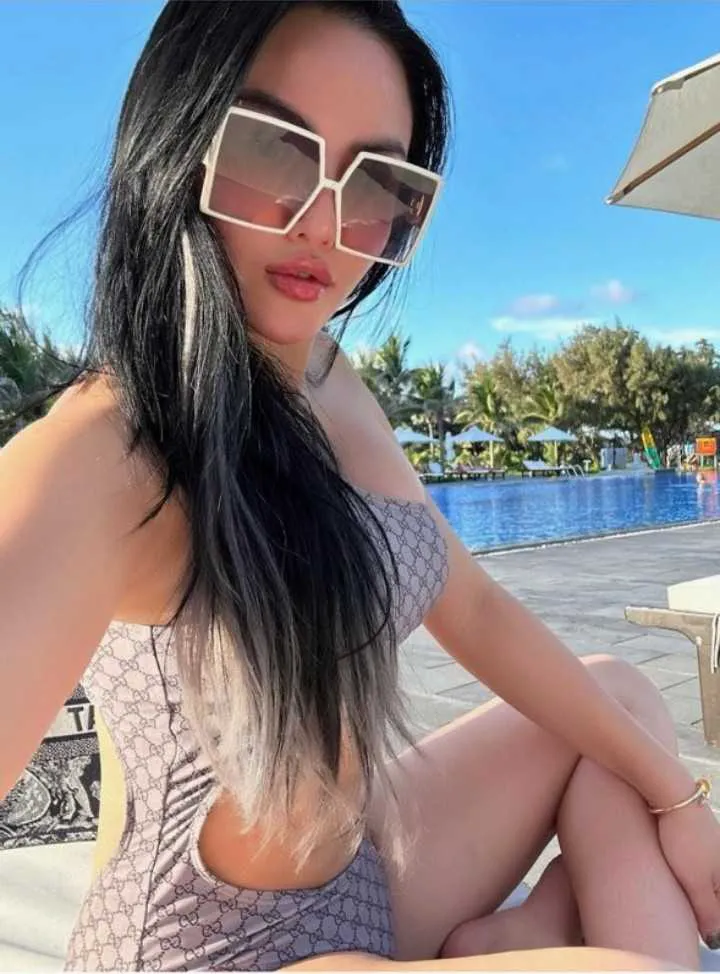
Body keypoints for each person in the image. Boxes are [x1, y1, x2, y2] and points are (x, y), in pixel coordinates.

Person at [1, 2, 719, 970]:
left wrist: (682, 799)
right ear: (177, 141)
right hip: (211, 949)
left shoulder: (328, 376)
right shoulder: (111, 449)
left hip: (363, 881)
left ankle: (520, 937)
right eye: (274, 151)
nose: (323, 223)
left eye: (375, 180)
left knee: (623, 704)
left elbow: (474, 606)